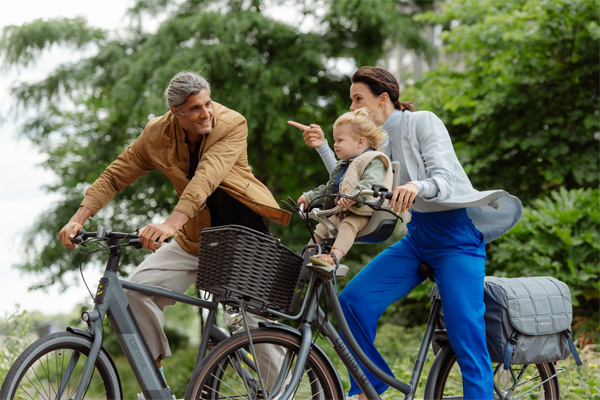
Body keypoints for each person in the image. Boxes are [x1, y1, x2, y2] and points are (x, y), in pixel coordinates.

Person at [290, 66, 522, 400]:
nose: (354, 106)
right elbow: (352, 183)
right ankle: (371, 386)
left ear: (383, 99)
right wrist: (325, 147)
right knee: (352, 303)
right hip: (417, 239)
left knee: (465, 336)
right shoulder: (377, 144)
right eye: (351, 99)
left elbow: (446, 178)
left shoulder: (422, 122)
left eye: (359, 99)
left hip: (456, 238)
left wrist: (416, 186)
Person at [58, 71, 291, 390]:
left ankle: (286, 394)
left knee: (253, 329)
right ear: (175, 113)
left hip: (241, 240)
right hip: (195, 239)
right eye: (195, 108)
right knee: (134, 291)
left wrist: (168, 225)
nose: (206, 113)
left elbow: (206, 179)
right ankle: (153, 376)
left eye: (208, 104)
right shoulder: (157, 134)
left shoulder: (232, 123)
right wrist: (78, 219)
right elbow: (115, 175)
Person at [297, 108, 393, 268]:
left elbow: (370, 182)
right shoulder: (346, 164)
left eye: (340, 140)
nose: (335, 145)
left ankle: (334, 257)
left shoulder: (374, 160)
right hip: (344, 209)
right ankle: (304, 259)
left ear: (360, 142)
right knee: (322, 227)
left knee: (347, 225)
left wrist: (353, 197)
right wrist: (308, 197)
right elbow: (330, 187)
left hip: (364, 210)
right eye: (334, 141)